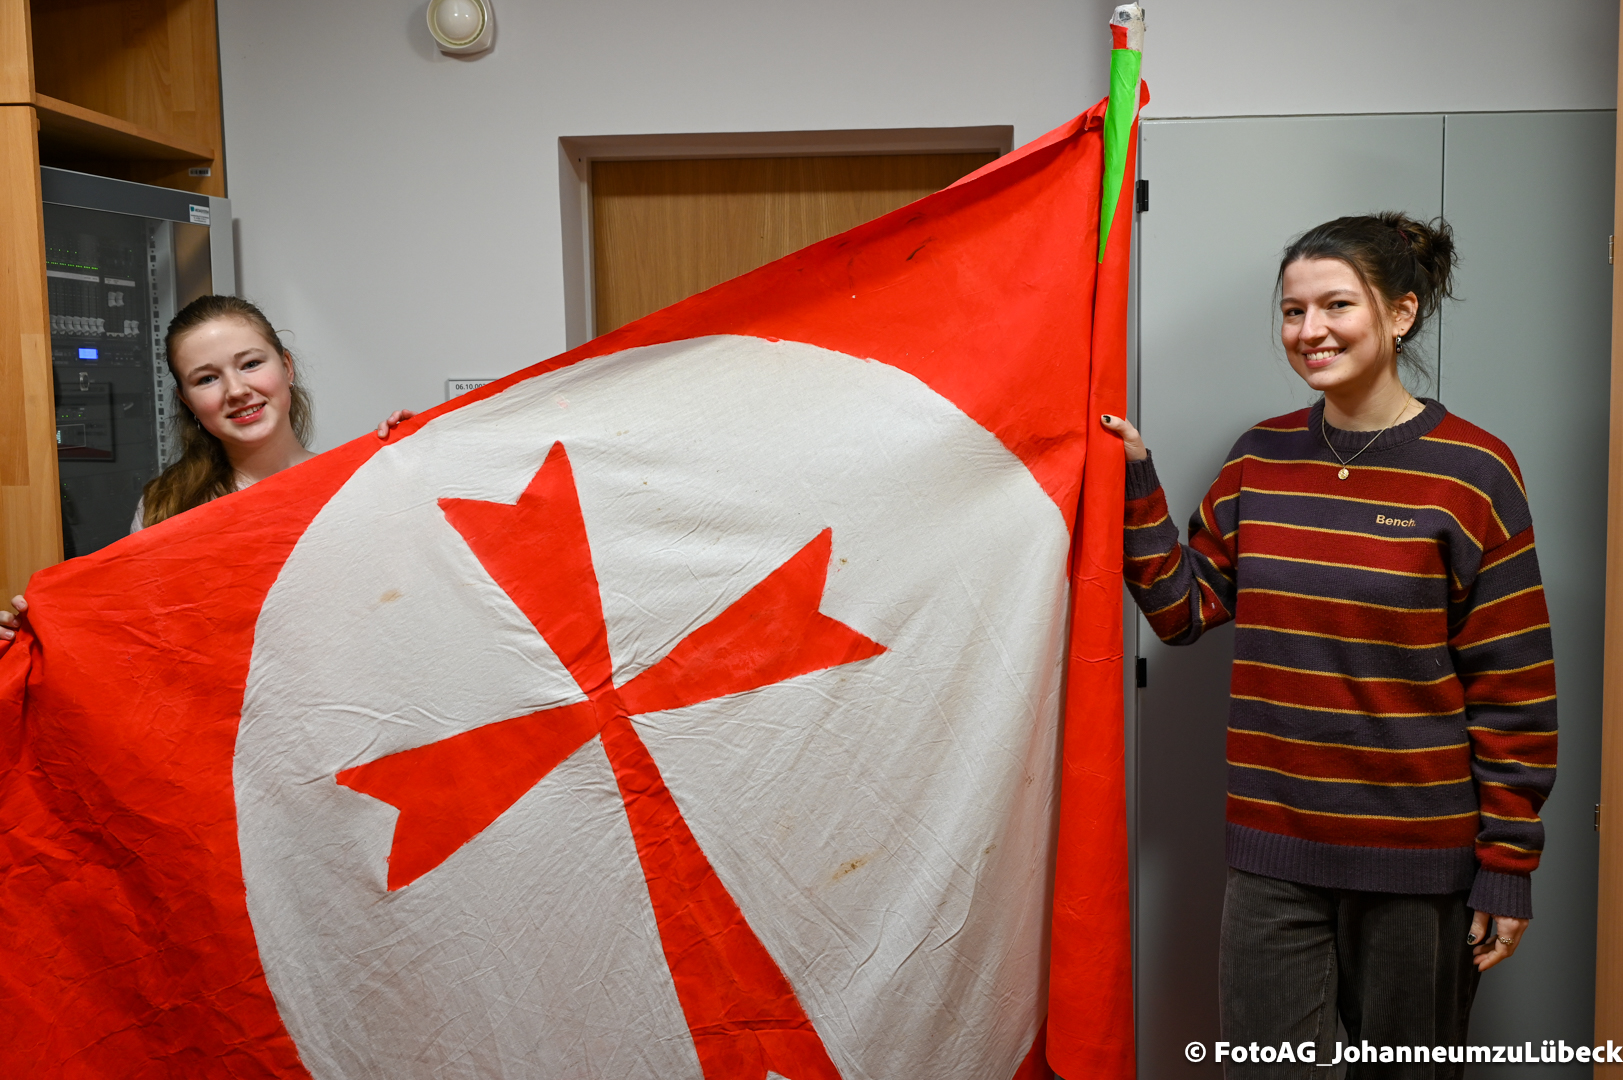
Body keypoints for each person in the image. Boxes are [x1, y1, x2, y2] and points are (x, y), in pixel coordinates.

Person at [1101, 213, 1554, 1076]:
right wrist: (1133, 478)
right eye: (1291, 310)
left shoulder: (1473, 472)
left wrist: (1507, 867)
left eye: (1335, 305)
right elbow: (1181, 610)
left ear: (1400, 313)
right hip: (1271, 856)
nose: (1309, 330)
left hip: (1419, 863)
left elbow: (1514, 688)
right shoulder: (1258, 458)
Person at [1, 295, 413, 650]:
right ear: (187, 400)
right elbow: (133, 635)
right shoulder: (166, 507)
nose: (236, 390)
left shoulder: (360, 483)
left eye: (251, 363)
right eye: (207, 378)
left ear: (286, 367)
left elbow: (411, 597)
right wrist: (33, 637)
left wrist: (417, 467)